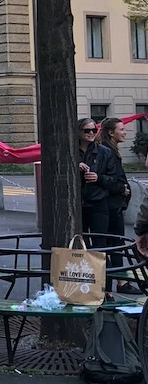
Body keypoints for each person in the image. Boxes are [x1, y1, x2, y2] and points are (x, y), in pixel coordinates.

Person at [98, 117, 137, 293]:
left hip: (113, 204)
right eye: (121, 129)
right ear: (111, 133)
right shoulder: (107, 151)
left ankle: (118, 283)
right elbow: (110, 178)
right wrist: (122, 189)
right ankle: (118, 284)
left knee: (114, 243)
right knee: (115, 243)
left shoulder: (110, 150)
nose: (124, 132)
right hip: (110, 204)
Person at [77, 117, 115, 250]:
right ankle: (83, 270)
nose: (92, 133)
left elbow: (114, 180)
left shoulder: (105, 152)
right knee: (81, 243)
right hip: (77, 205)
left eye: (94, 130)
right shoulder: (71, 153)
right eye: (87, 130)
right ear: (79, 132)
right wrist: (75, 166)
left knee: (99, 244)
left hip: (98, 204)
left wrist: (98, 178)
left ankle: (100, 270)